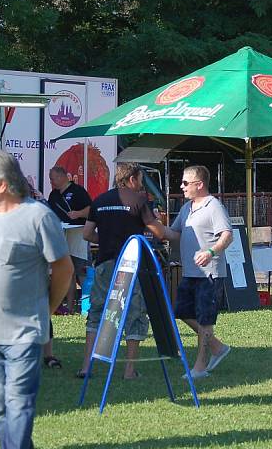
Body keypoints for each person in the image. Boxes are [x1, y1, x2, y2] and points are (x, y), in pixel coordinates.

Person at [0, 150, 73, 449]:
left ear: (1, 184)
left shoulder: (38, 216)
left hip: (22, 333)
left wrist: (46, 310)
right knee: (0, 409)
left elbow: (63, 269)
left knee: (19, 405)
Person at [78, 162, 168, 379]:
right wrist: (175, 234)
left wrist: (107, 239)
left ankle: (86, 367)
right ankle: (129, 370)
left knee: (97, 312)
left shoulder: (99, 201)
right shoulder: (139, 200)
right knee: (134, 313)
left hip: (105, 263)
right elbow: (158, 232)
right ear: (131, 179)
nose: (140, 185)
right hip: (131, 265)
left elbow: (87, 234)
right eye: (140, 180)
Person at [164, 165, 233, 380]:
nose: (181, 186)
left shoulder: (214, 206)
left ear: (199, 184)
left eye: (186, 183)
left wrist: (211, 251)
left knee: (205, 320)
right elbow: (173, 234)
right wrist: (151, 224)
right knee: (181, 311)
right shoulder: (187, 208)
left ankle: (200, 368)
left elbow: (227, 235)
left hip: (209, 273)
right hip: (190, 273)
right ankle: (218, 347)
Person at [47, 165, 92, 315]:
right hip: (60, 235)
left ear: (62, 176)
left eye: (53, 179)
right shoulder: (53, 195)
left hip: (77, 236)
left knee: (80, 270)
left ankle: (84, 304)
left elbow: (91, 210)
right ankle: (66, 306)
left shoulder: (78, 191)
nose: (51, 182)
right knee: (65, 271)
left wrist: (78, 213)